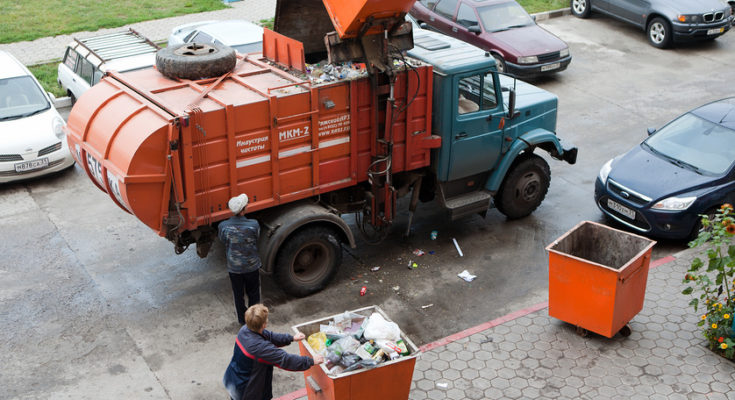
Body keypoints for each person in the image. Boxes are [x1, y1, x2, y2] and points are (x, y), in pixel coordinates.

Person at [223, 304, 325, 400]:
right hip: (247, 391)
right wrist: (311, 361)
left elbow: (270, 336)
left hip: (234, 379)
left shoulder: (246, 329)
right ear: (264, 324)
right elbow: (285, 360)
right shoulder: (259, 348)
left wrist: (291, 338)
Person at [219, 193, 262, 324]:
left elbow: (223, 241)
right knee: (254, 293)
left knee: (238, 295)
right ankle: (254, 320)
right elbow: (256, 239)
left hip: (234, 268)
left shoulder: (223, 226)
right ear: (244, 209)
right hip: (252, 266)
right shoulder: (254, 224)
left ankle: (242, 320)